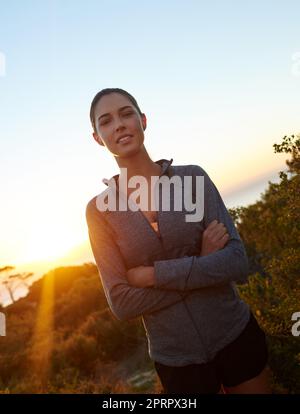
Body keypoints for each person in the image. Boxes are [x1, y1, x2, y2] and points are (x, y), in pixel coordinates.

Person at [85, 87, 271, 394]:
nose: (118, 124)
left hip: (235, 333)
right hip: (177, 361)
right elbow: (122, 302)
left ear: (143, 121)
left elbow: (237, 261)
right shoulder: (100, 211)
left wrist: (152, 276)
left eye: (126, 113)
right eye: (105, 121)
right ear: (97, 137)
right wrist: (202, 262)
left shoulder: (192, 179)